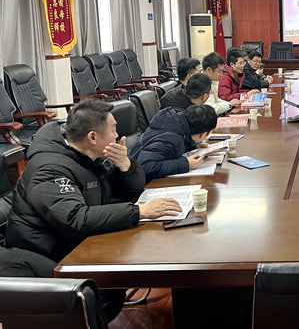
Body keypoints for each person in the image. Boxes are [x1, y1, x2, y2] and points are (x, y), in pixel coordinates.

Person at [4, 99, 182, 321]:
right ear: (93, 137)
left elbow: (133, 189)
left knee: (118, 279)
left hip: (78, 242)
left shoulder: (91, 157)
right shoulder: (49, 169)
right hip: (45, 254)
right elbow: (76, 218)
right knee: (105, 293)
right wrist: (140, 212)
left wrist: (125, 165)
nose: (117, 135)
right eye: (113, 129)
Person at [128, 105, 218, 183]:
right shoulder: (172, 139)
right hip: (134, 183)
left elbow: (164, 148)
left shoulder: (174, 122)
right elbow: (145, 167)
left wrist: (193, 146)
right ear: (202, 134)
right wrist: (186, 164)